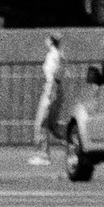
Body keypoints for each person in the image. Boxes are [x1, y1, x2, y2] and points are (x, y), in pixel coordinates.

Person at [35, 31, 68, 160]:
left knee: (42, 122)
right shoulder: (57, 54)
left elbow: (54, 75)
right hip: (54, 88)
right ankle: (73, 142)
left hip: (51, 88)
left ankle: (43, 155)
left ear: (51, 41)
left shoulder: (54, 55)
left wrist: (50, 93)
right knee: (52, 126)